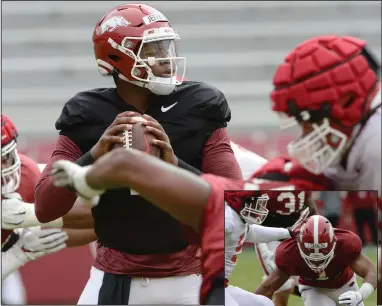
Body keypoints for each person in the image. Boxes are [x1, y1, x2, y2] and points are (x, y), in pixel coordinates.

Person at [34, 3, 242, 304]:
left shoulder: (199, 105)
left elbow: (236, 203)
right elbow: (45, 207)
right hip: (113, 278)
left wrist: (174, 165)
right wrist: (94, 155)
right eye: (153, 50)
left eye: (166, 47)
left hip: (188, 277)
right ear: (116, 57)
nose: (167, 59)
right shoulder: (87, 113)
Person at [269, 35, 381, 194]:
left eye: (310, 119)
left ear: (347, 101)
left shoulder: (376, 145)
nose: (306, 133)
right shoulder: (358, 132)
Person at [1, 114, 69, 304]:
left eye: (5, 157)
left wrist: (21, 243)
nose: (3, 168)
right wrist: (15, 256)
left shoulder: (26, 174)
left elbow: (75, 215)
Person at [255, 215, 377, 306]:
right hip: (313, 289)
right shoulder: (289, 253)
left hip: (345, 286)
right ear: (299, 245)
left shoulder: (346, 244)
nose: (317, 260)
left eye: (322, 253)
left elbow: (371, 273)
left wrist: (360, 294)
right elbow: (268, 288)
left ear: (333, 242)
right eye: (310, 254)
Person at [224, 189, 310, 306]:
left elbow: (254, 232)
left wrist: (289, 232)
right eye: (256, 204)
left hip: (221, 286)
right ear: (240, 201)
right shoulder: (227, 218)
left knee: (265, 303)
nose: (260, 209)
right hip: (206, 284)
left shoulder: (238, 221)